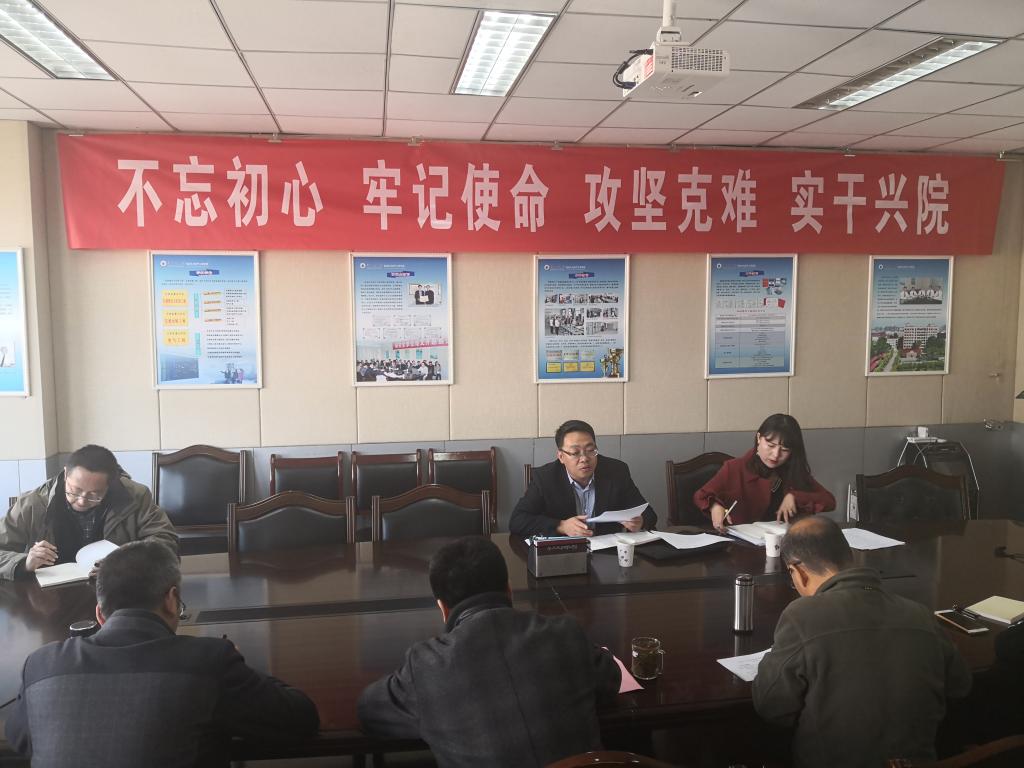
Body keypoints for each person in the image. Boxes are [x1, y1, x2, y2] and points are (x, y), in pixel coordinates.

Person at [5, 541, 319, 767]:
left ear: (99, 614)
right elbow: (301, 719)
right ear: (171, 600)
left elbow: (20, 739)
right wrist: (238, 665)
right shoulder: (208, 662)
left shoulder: (41, 665)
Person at [358, 536, 620, 767]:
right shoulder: (564, 633)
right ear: (509, 590)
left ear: (443, 608)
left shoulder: (428, 667)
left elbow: (369, 710)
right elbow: (611, 679)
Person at [752, 517, 971, 768]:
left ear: (798, 572)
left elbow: (770, 706)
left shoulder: (801, 616)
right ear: (849, 557)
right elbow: (960, 686)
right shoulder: (920, 614)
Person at [0, 444, 178, 580]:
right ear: (65, 474)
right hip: (47, 598)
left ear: (110, 485)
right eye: (74, 491)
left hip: (116, 590)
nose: (82, 501)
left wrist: (127, 563)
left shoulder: (135, 497)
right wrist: (25, 563)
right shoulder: (33, 503)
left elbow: (166, 542)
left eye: (94, 495)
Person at [509, 419, 656, 537]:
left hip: (607, 552)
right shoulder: (545, 478)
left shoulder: (616, 471)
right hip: (565, 554)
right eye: (575, 453)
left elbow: (648, 513)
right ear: (561, 456)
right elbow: (517, 520)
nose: (585, 458)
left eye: (590, 450)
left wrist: (640, 521)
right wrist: (561, 526)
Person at [694, 413, 834, 531]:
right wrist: (715, 506)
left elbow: (829, 501)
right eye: (770, 445)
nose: (776, 455)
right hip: (742, 546)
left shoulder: (792, 470)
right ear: (759, 438)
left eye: (784, 450)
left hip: (787, 544)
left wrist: (795, 496)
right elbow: (701, 496)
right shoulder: (735, 468)